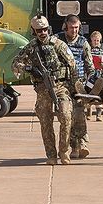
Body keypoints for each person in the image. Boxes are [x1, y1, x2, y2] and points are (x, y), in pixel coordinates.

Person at [12, 15, 77, 165]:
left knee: (66, 117)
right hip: (43, 89)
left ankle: (64, 151)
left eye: (45, 29)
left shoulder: (58, 44)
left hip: (61, 87)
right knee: (45, 121)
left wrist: (74, 88)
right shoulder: (31, 47)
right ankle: (51, 155)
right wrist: (29, 68)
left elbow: (72, 63)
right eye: (39, 30)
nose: (42, 32)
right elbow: (15, 64)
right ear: (34, 31)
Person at [55, 14, 93, 158]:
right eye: (71, 28)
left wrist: (91, 84)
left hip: (79, 84)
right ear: (66, 26)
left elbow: (89, 66)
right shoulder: (57, 40)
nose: (74, 31)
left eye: (76, 28)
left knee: (79, 114)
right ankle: (74, 146)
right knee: (67, 116)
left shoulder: (83, 42)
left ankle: (82, 143)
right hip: (62, 84)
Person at [88, 31, 103, 121]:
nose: (96, 42)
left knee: (100, 92)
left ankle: (99, 114)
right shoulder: (88, 47)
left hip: (100, 73)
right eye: (94, 40)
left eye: (98, 40)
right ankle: (89, 112)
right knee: (89, 90)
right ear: (91, 40)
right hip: (90, 73)